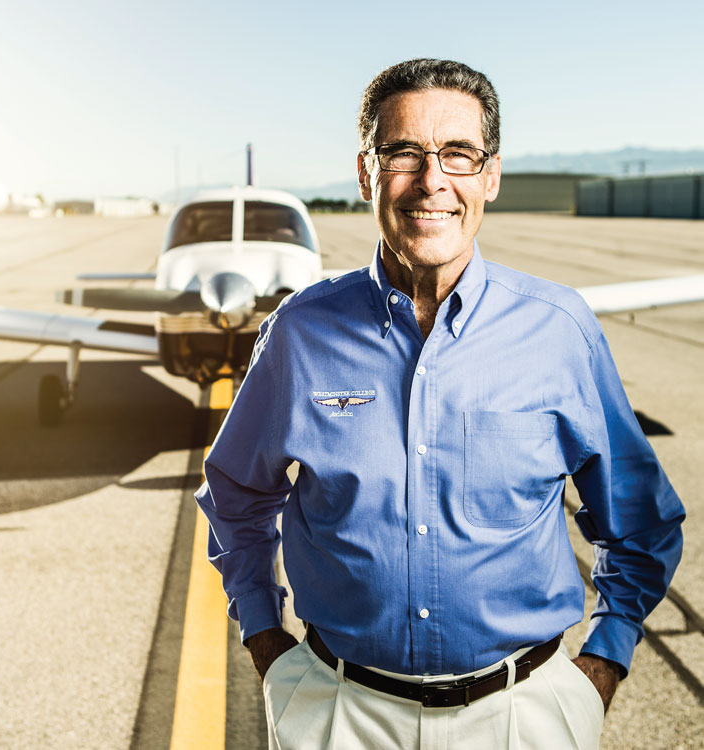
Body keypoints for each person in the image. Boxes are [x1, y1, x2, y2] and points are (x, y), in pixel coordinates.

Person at [195, 58, 685, 749]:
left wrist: (600, 665)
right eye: (403, 153)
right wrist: (268, 645)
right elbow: (236, 496)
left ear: (490, 176)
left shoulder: (560, 330)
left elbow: (641, 522)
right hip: (340, 712)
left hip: (524, 716)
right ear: (367, 173)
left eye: (458, 154)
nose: (432, 182)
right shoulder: (298, 335)